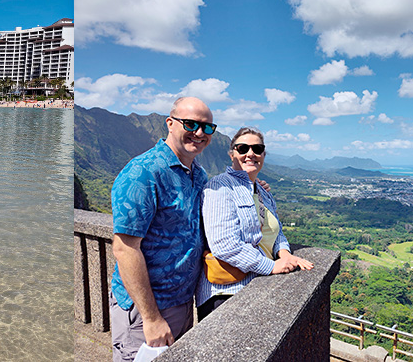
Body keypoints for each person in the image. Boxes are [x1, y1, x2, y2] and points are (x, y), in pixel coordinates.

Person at [109, 97, 217, 361]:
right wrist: (151, 317)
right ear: (170, 123)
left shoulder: (197, 174)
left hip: (182, 302)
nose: (200, 133)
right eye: (190, 124)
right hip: (145, 308)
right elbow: (125, 249)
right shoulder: (143, 172)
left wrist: (251, 186)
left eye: (207, 127)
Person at [196, 127, 313, 320]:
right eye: (242, 148)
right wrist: (271, 266)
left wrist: (284, 253)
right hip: (226, 292)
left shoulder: (262, 190)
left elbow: (276, 230)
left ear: (263, 154)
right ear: (232, 153)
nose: (250, 153)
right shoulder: (220, 187)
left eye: (257, 149)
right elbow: (224, 244)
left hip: (257, 285)